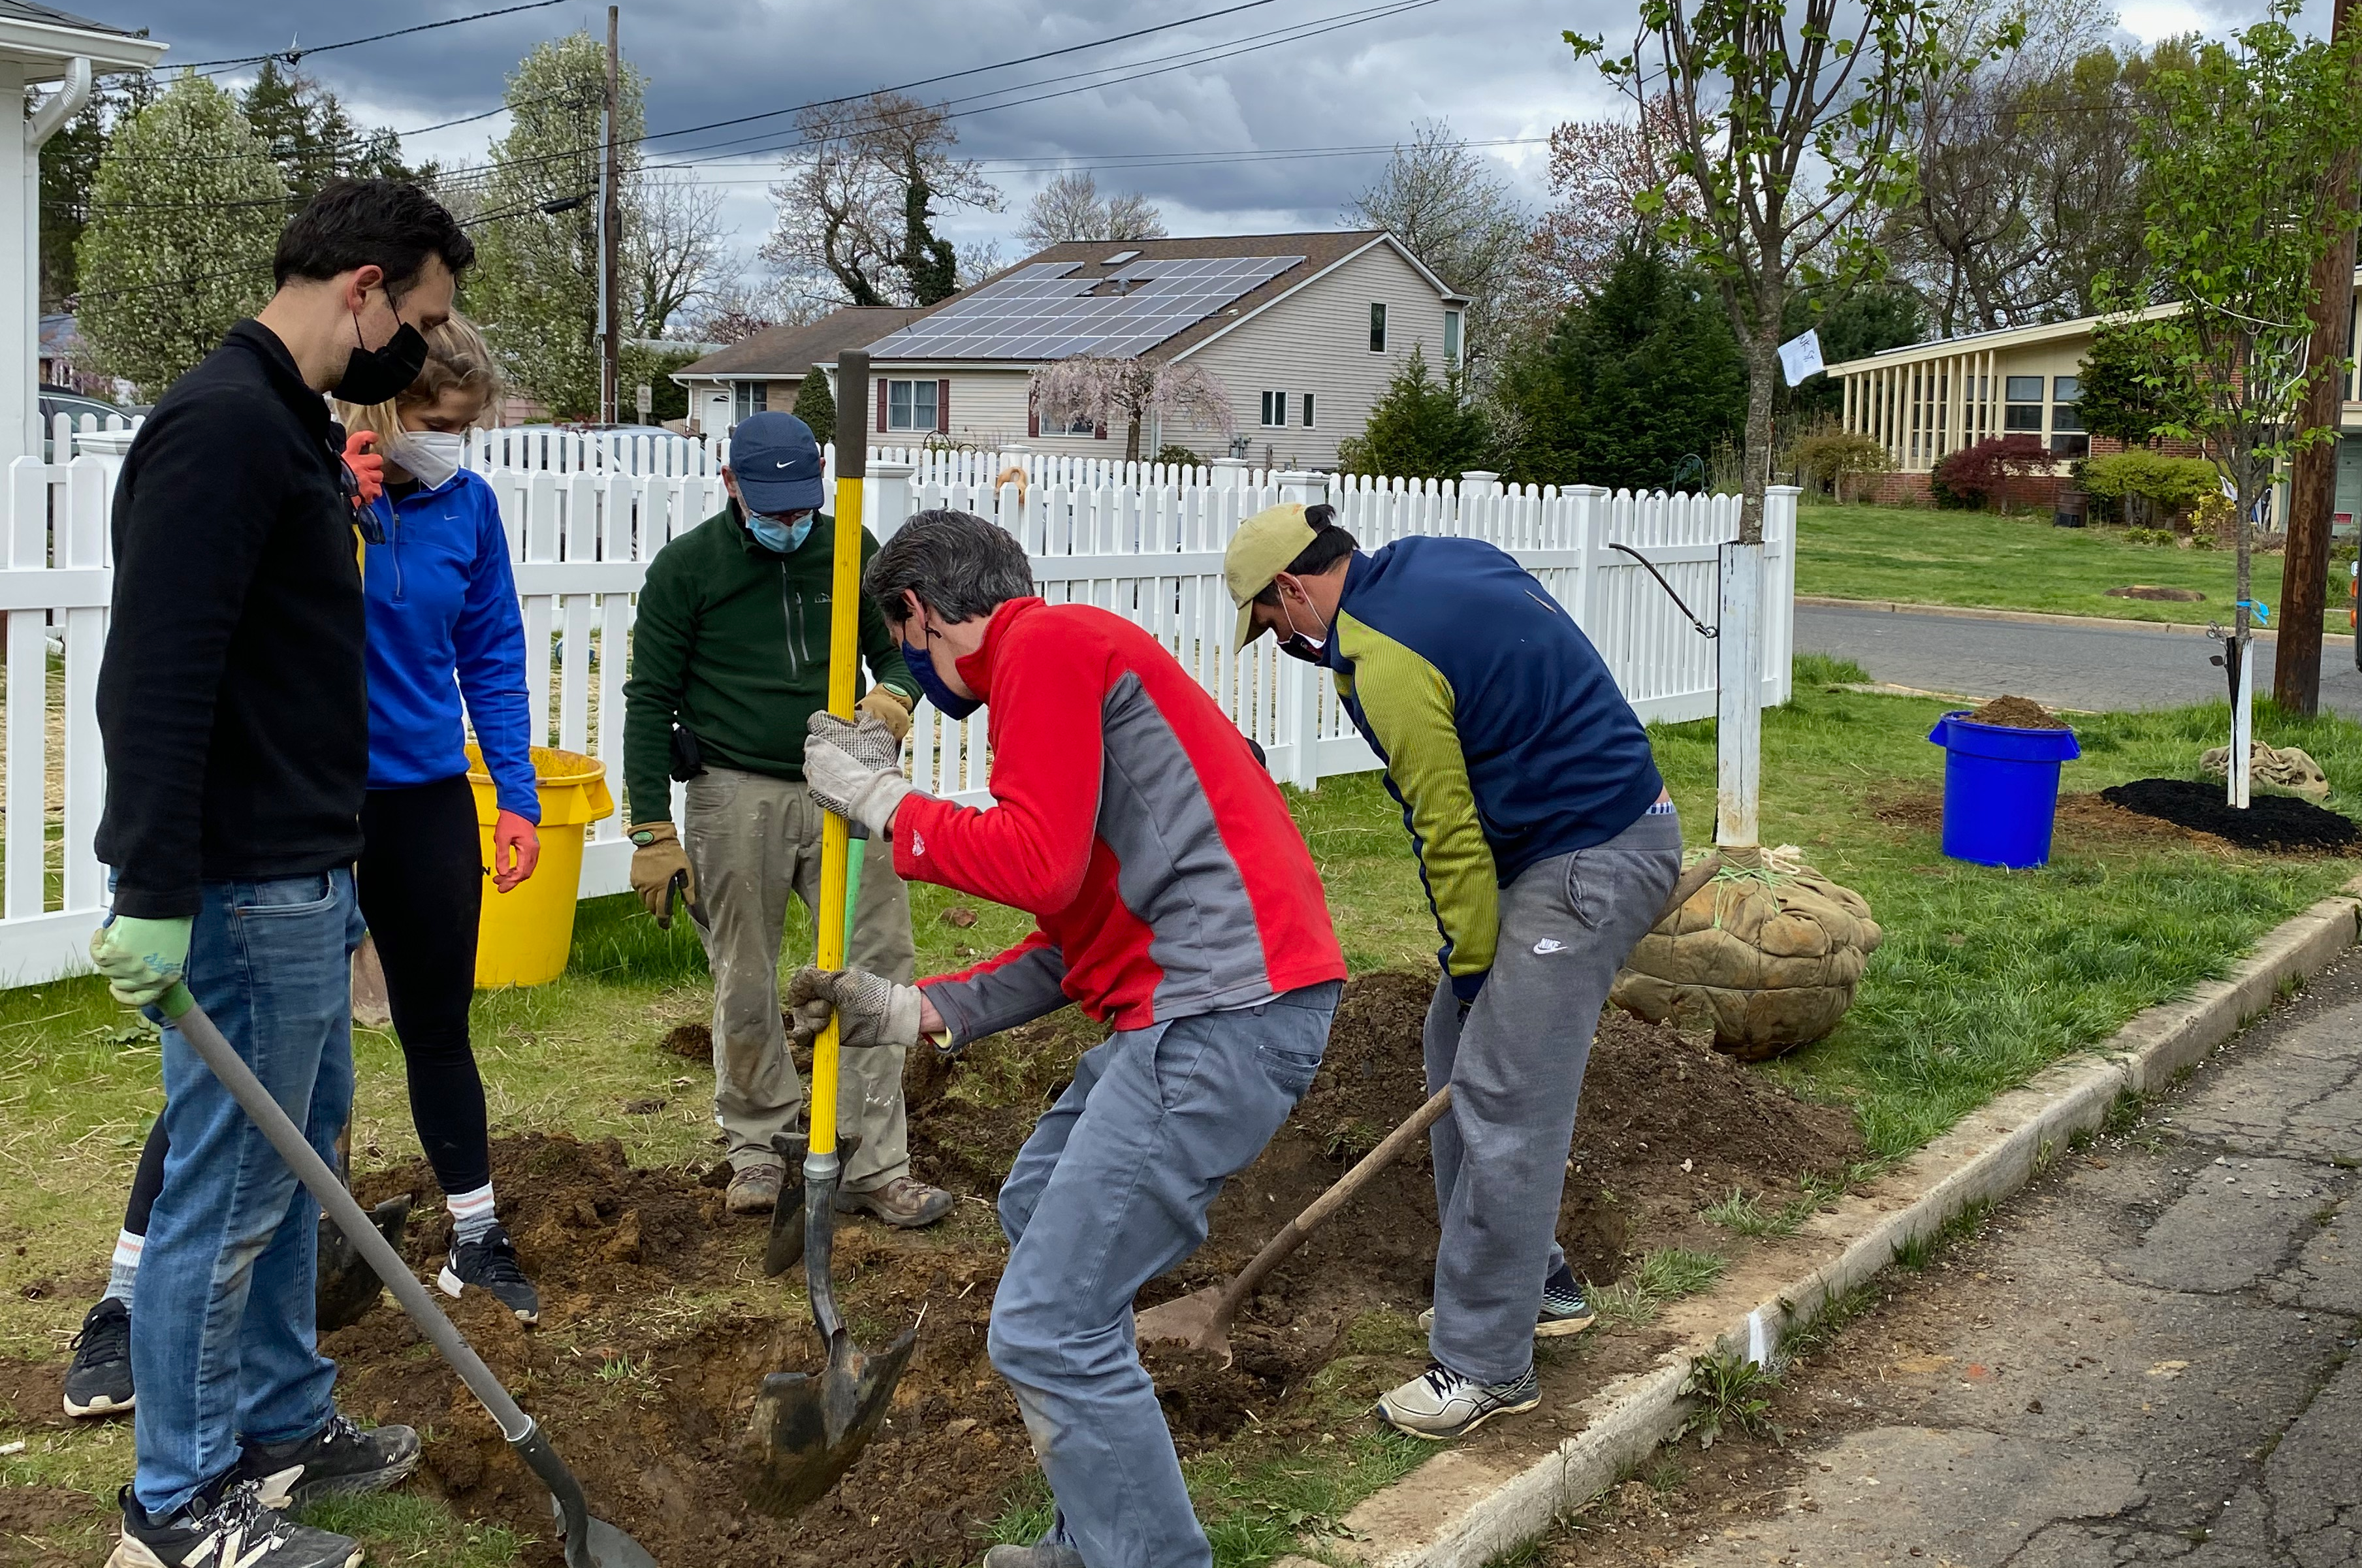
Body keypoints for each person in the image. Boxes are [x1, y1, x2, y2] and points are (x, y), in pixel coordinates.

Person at [790, 508, 1348, 1568]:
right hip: (1204, 1008)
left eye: (901, 639)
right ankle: (1098, 1537)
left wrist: (883, 804)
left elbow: (1035, 865)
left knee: (1045, 1326)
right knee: (1038, 1203)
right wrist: (910, 1010)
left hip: (1219, 1017)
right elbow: (1073, 931)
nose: (909, 664)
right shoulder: (1067, 663)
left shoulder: (1045, 648)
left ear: (916, 612)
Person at [64, 315, 547, 1432]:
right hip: (303, 803)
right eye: (435, 425)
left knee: (436, 1024)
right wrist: (342, 500)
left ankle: (475, 1236)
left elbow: (493, 650)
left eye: (466, 430)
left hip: (421, 795)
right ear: (382, 413)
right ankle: (126, 1298)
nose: (451, 446)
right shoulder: (312, 491)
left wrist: (512, 792)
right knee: (245, 1066)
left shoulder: (466, 510)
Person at [86, 178, 472, 1568]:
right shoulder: (221, 429)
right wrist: (151, 884)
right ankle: (177, 1508)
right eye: (417, 320)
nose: (419, 352)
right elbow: (157, 674)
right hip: (241, 882)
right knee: (234, 1185)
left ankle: (278, 1421)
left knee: (300, 1165)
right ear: (361, 289)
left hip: (311, 863)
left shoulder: (294, 428)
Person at [1224, 502, 1681, 1442]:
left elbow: (1446, 830)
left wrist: (1473, 965)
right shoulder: (1437, 560)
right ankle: (1536, 1283)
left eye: (1272, 623)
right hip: (1570, 838)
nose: (1280, 642)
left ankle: (1484, 1364)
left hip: (1589, 858)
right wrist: (1466, 988)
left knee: (1506, 1092)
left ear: (1293, 587)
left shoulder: (1382, 659)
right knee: (1452, 1044)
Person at [620, 411, 948, 1225]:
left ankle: (875, 1161)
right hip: (735, 790)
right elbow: (647, 700)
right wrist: (651, 830)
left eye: (802, 509)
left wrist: (896, 694)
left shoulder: (850, 548)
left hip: (848, 782)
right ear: (731, 485)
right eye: (774, 510)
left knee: (878, 963)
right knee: (745, 969)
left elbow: (903, 649)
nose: (790, 525)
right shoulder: (686, 569)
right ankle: (757, 1145)